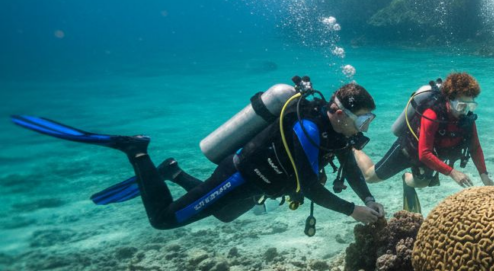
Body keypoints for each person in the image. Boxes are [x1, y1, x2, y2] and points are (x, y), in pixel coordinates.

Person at [10, 82, 385, 230]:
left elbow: (350, 165)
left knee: (221, 214)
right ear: (338, 112)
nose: (365, 127)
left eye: (368, 119)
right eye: (361, 118)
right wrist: (353, 212)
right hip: (239, 178)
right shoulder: (305, 129)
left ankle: (172, 172)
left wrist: (367, 197)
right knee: (164, 220)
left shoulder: (334, 134)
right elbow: (308, 188)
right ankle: (137, 151)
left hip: (260, 186)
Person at [354, 72, 494, 214]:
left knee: (422, 183)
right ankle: (354, 150)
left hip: (430, 157)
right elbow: (424, 153)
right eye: (461, 105)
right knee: (370, 177)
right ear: (450, 100)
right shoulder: (432, 114)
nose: (464, 111)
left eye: (470, 106)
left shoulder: (466, 121)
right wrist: (452, 172)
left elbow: (475, 147)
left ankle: (406, 179)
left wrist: (483, 174)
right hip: (408, 150)